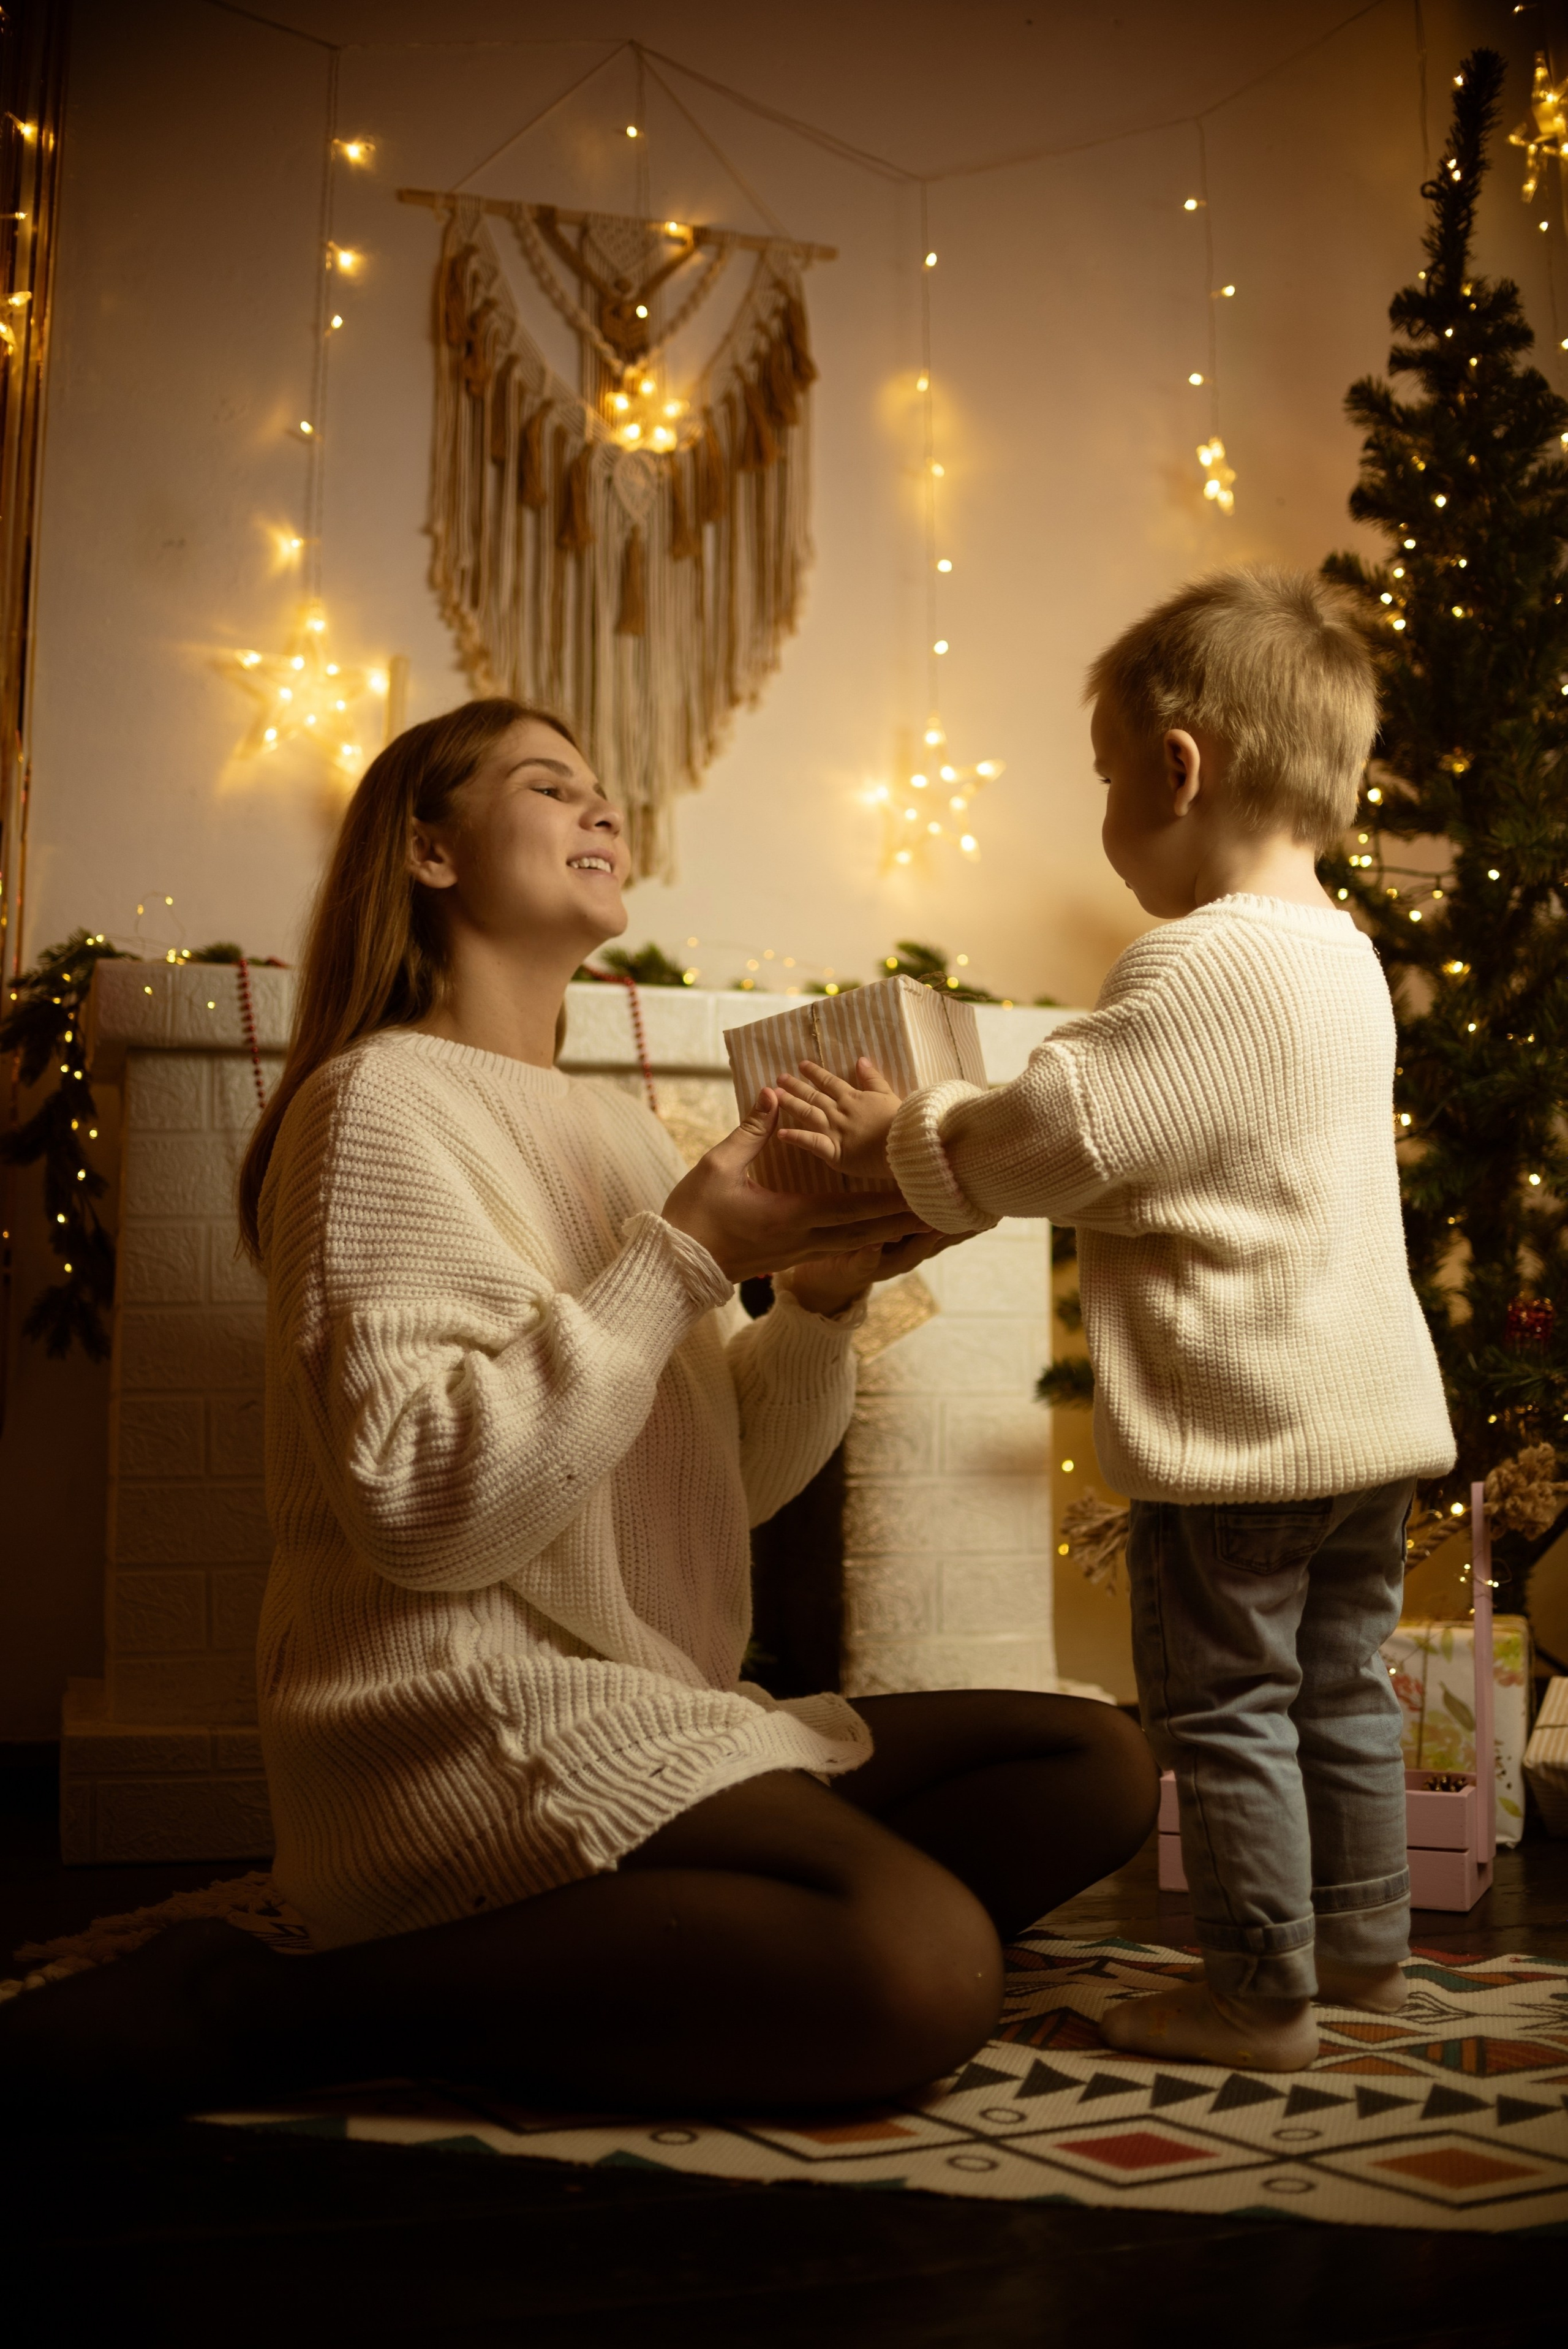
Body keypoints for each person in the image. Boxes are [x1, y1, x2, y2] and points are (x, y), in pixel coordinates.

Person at [0, 698, 1155, 2126]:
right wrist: (684, 1250)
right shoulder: (372, 1105)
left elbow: (713, 1490)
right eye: (551, 787)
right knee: (918, 1970)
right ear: (428, 850)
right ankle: (264, 2006)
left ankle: (671, 1935)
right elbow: (423, 1515)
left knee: (1092, 1762)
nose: (602, 810)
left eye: (604, 792)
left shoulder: (617, 1130)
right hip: (455, 1721)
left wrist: (817, 1301)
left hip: (658, 1709)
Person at [772, 569, 1456, 2073]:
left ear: (1176, 767)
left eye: (1103, 776)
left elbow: (1061, 1137)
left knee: (1223, 1706)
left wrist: (904, 1132)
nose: (1102, 807)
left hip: (1245, 1431)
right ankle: (1359, 1947)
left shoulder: (1198, 962)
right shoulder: (1341, 955)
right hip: (1364, 1419)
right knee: (1339, 1689)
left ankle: (1256, 1996)